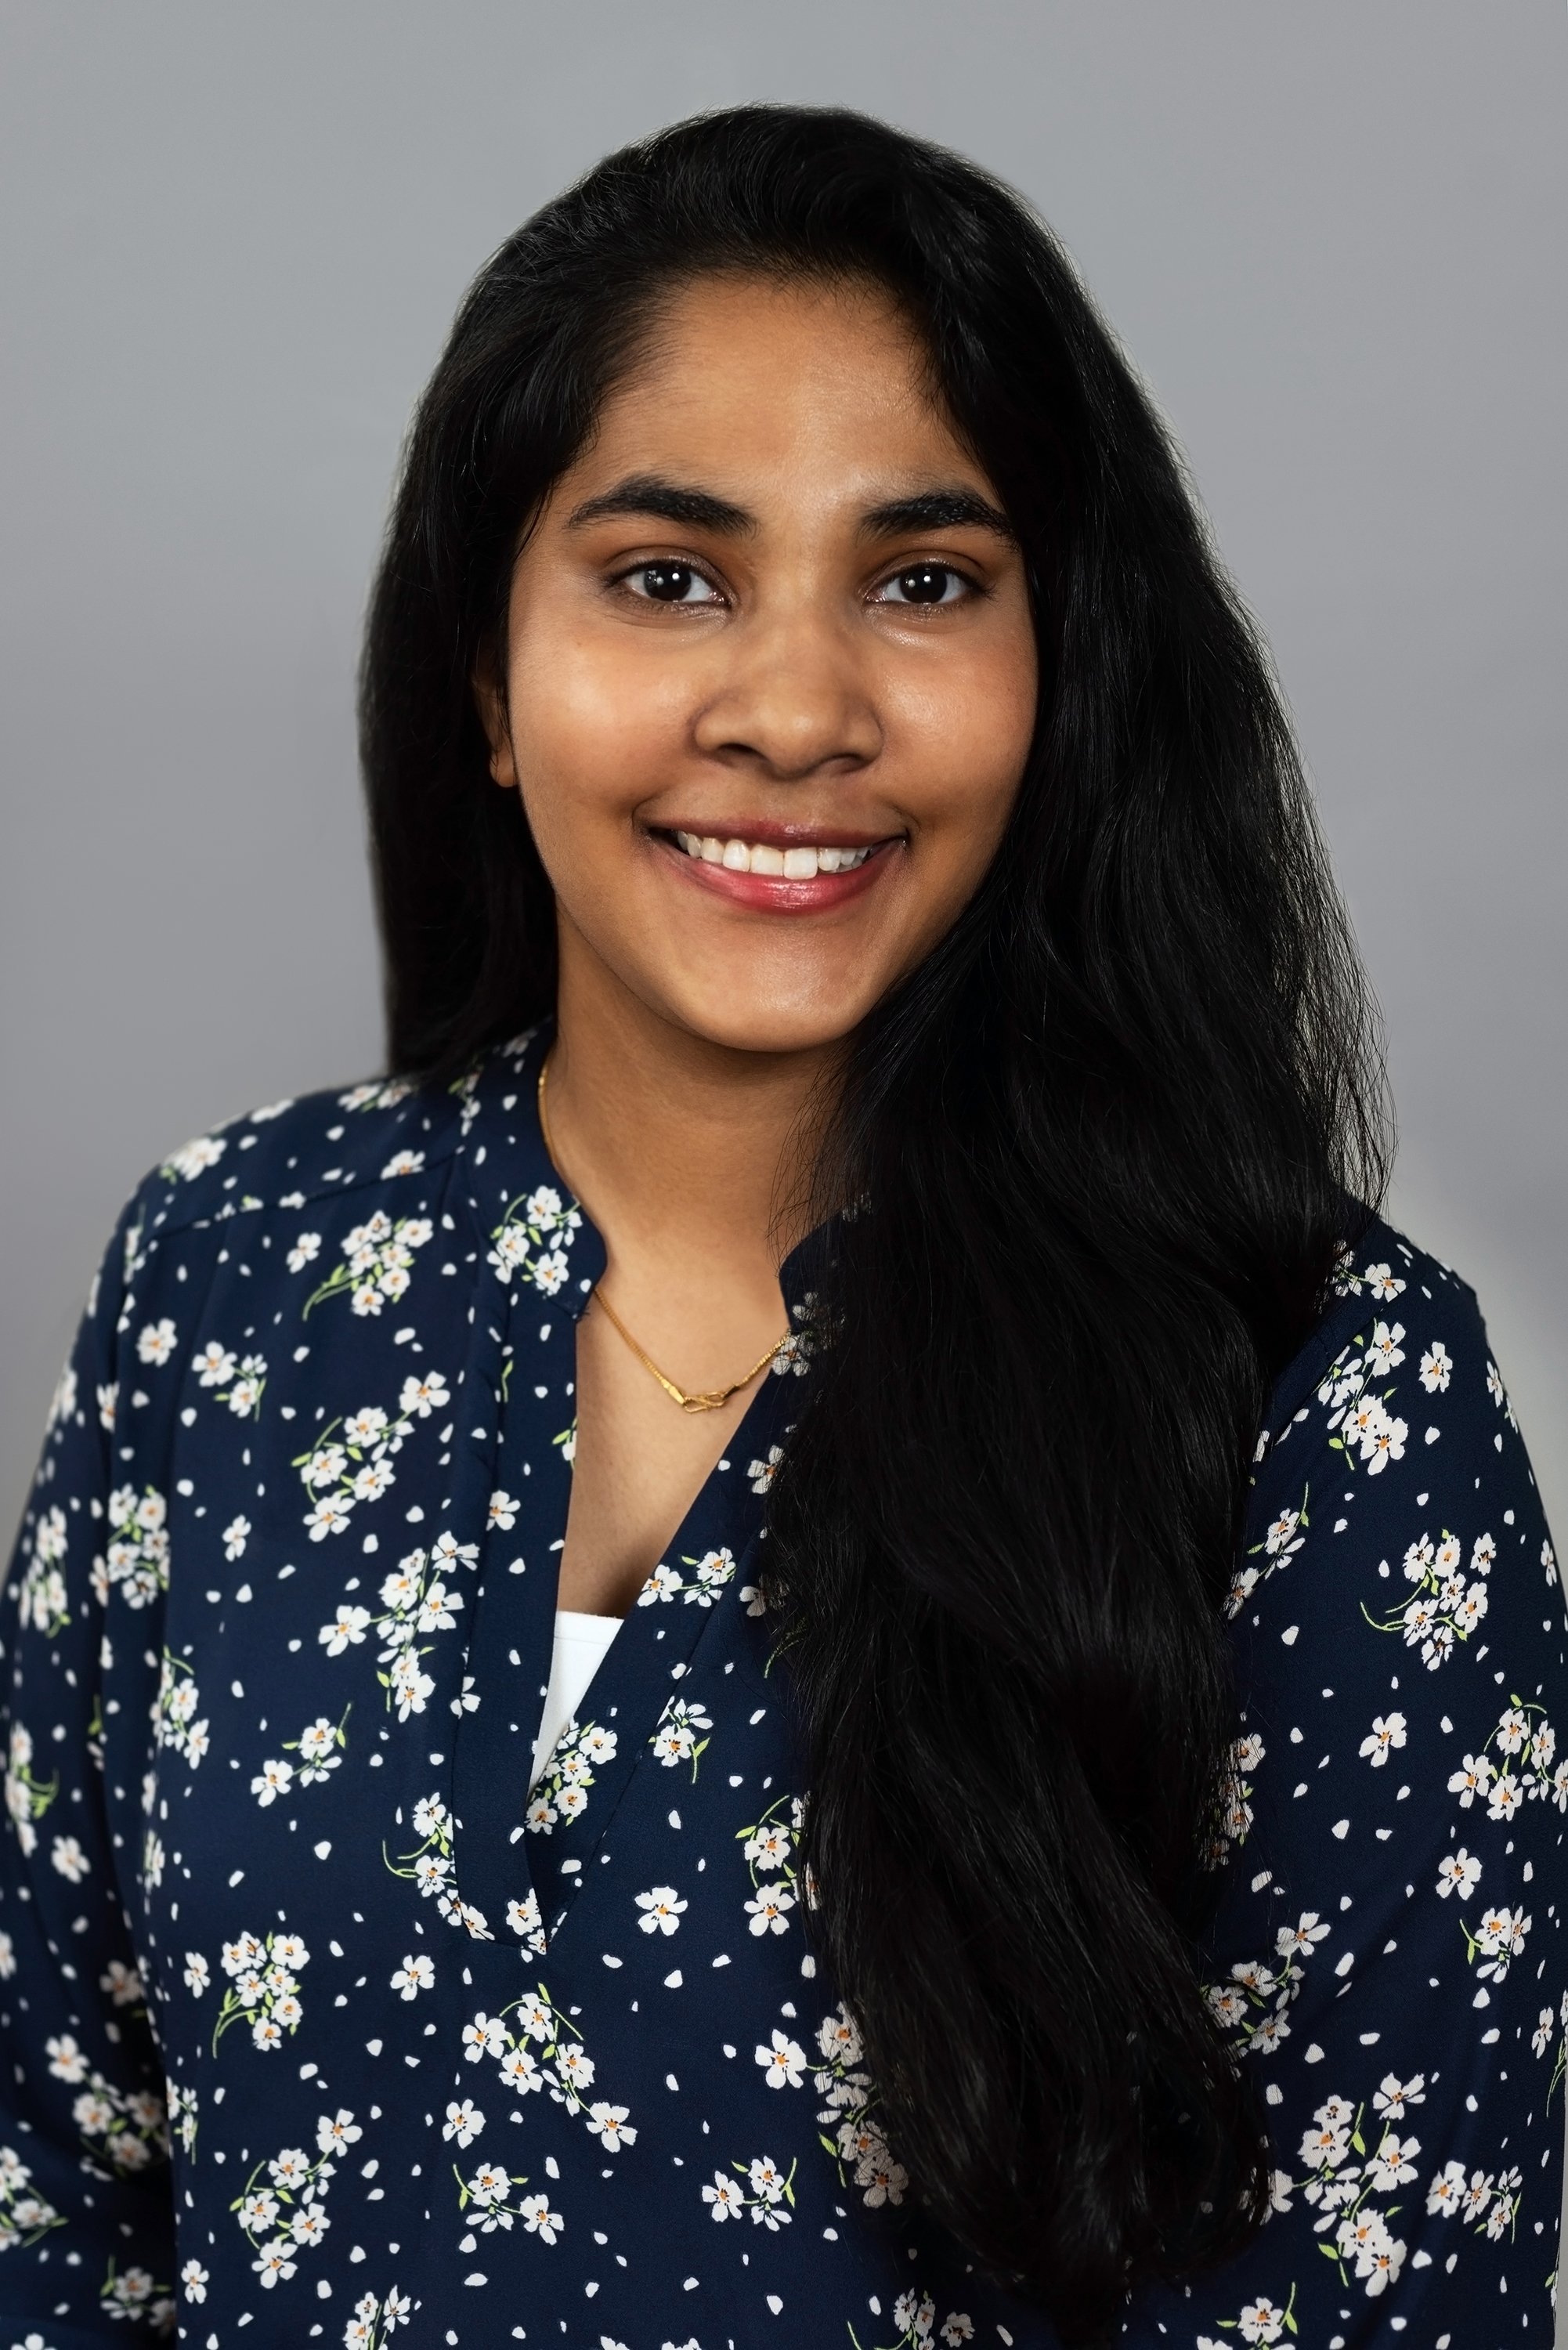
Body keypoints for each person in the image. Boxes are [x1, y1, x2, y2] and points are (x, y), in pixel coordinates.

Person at [1, 103, 1562, 2350]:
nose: (798, 710)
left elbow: (1379, 2298)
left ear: (1059, 670)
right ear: (484, 675)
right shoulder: (232, 1271)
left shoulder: (1321, 1395)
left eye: (921, 582)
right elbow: (53, 2172)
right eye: (666, 576)